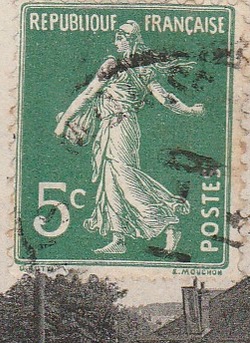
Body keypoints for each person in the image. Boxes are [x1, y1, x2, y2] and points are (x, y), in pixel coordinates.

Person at [54, 21, 203, 255]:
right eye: (117, 36)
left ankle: (168, 220)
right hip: (107, 127)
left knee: (124, 178)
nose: (117, 40)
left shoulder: (139, 69)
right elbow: (88, 94)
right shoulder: (123, 67)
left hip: (122, 126)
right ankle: (119, 237)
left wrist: (190, 111)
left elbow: (165, 99)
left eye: (121, 36)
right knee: (109, 182)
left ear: (132, 40)